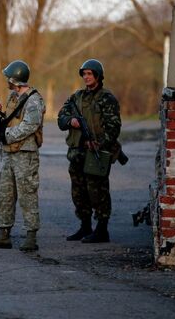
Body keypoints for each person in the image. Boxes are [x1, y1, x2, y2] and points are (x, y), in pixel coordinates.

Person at [57, 59, 121, 243]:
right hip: (77, 153)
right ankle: (85, 227)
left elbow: (113, 127)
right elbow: (61, 117)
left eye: (89, 74)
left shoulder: (107, 98)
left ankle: (102, 230)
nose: (86, 77)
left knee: (98, 191)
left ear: (98, 76)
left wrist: (99, 143)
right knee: (79, 192)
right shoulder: (76, 97)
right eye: (84, 74)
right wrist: (71, 121)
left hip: (96, 153)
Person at [0, 60, 45, 252]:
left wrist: (6, 135)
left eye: (8, 78)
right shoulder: (13, 97)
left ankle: (31, 235)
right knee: (5, 194)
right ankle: (3, 235)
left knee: (27, 194)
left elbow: (30, 125)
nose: (6, 81)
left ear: (15, 79)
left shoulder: (34, 100)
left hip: (25, 154)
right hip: (10, 153)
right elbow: (12, 120)